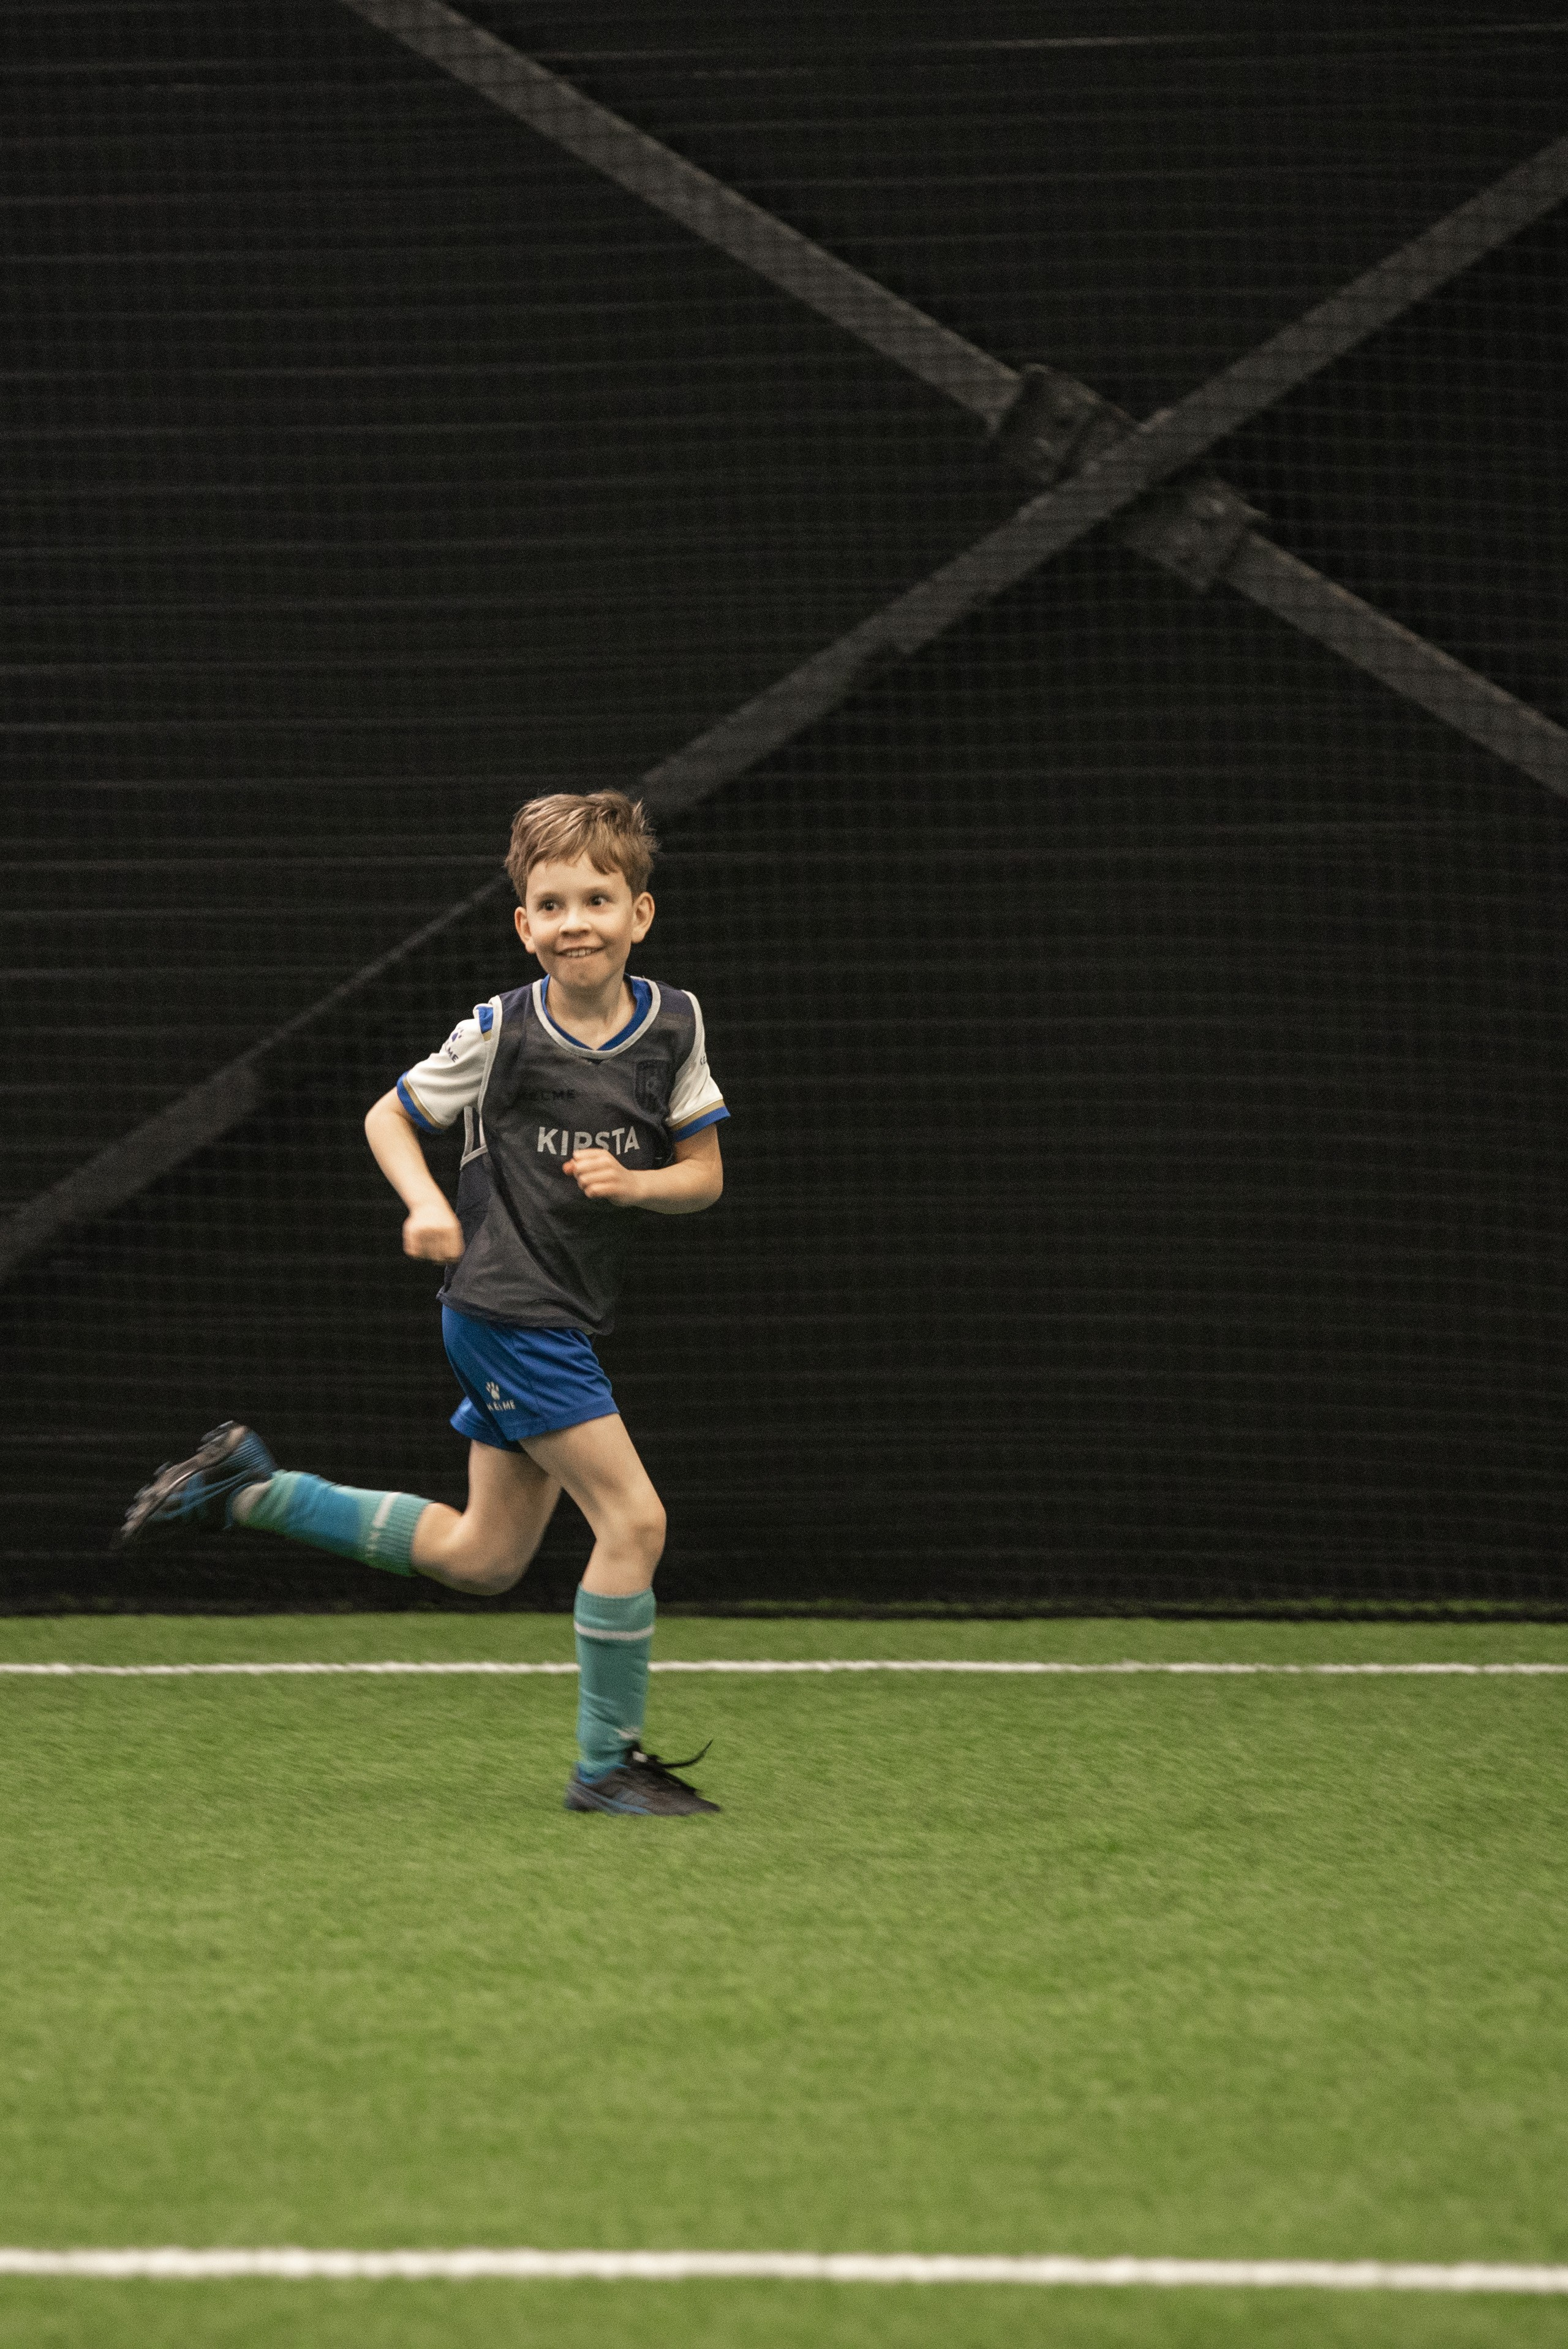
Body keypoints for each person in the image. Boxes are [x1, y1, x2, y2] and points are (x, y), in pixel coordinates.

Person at [119, 791, 728, 1816]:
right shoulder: (502, 1030)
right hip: (506, 1308)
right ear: (524, 925)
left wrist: (638, 1185)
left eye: (597, 897)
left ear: (641, 914)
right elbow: (390, 1117)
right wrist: (424, 1204)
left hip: (558, 1314)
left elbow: (706, 1175)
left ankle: (246, 1490)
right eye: (552, 903)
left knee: (483, 1558)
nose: (576, 919)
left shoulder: (675, 1023)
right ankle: (605, 1768)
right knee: (635, 1520)